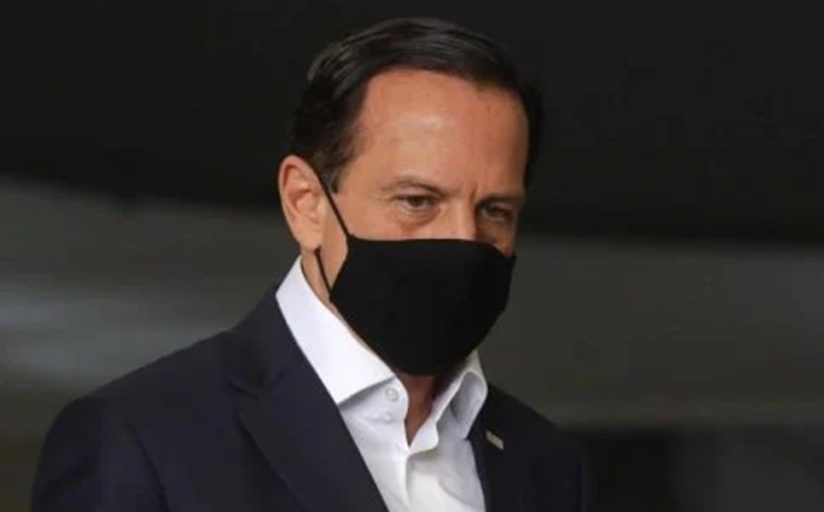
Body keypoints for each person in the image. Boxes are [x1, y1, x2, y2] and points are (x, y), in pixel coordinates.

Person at [31, 16, 593, 512]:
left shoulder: (547, 466)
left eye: (495, 211)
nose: (462, 239)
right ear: (306, 203)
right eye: (416, 201)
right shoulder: (143, 441)